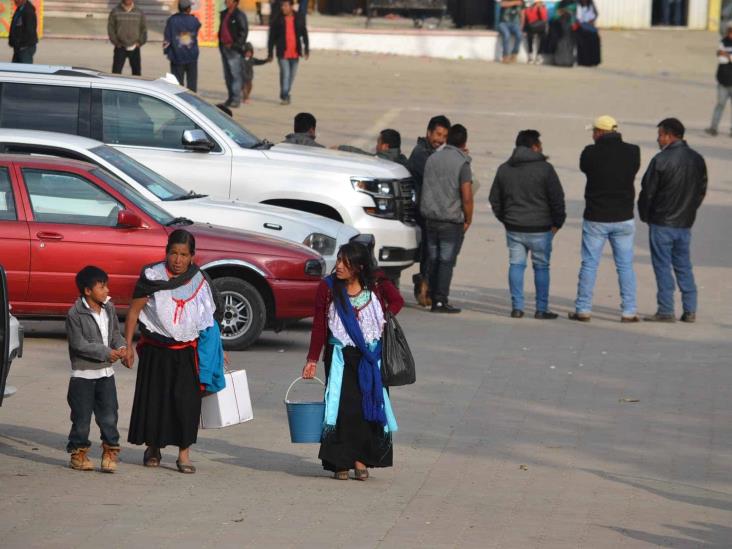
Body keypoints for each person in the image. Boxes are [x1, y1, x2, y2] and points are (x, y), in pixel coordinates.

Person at [302, 243, 404, 480]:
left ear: (358, 267)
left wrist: (383, 318)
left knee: (367, 408)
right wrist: (312, 359)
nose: (338, 266)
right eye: (338, 260)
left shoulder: (376, 284)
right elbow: (319, 325)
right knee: (342, 409)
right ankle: (340, 463)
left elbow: (397, 301)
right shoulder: (328, 288)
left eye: (344, 263)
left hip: (370, 358)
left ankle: (361, 460)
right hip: (340, 357)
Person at [124, 229, 221, 474]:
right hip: (156, 349)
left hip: (188, 351)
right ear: (166, 252)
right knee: (155, 400)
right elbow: (134, 313)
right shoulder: (152, 275)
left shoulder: (199, 280)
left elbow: (208, 319)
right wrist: (127, 346)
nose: (178, 260)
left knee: (186, 403)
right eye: (174, 253)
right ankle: (153, 448)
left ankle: (183, 454)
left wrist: (219, 350)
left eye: (184, 255)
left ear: (192, 256)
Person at [569, 115, 641, 323]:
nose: (592, 135)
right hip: (623, 216)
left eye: (593, 131)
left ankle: (583, 309)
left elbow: (585, 168)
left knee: (590, 264)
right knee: (625, 265)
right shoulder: (633, 151)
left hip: (596, 217)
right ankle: (629, 311)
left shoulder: (590, 153)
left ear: (600, 132)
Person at [489, 130, 566, 319]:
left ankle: (517, 307)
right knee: (541, 267)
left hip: (514, 227)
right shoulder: (546, 169)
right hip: (541, 228)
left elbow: (495, 200)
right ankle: (541, 309)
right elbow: (557, 199)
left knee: (516, 265)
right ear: (534, 146)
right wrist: (557, 223)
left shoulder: (504, 168)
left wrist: (506, 219)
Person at [638, 118, 707, 323]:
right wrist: (689, 211)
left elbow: (647, 192)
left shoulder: (661, 160)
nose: (658, 139)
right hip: (684, 223)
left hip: (662, 223)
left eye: (660, 135)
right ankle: (690, 309)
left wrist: (646, 216)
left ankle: (666, 310)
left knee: (662, 266)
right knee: (684, 265)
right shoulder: (697, 159)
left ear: (669, 135)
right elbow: (700, 191)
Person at [65, 266, 128, 473]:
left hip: (106, 375)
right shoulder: (75, 313)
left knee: (109, 416)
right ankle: (79, 454)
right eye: (102, 287)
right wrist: (105, 352)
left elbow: (115, 334)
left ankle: (110, 453)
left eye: (106, 285)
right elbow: (78, 344)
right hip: (83, 377)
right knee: (81, 419)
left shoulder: (109, 308)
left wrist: (121, 347)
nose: (107, 290)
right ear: (87, 291)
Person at [419, 124, 474, 314]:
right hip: (450, 220)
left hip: (431, 218)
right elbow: (467, 196)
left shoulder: (432, 158)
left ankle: (431, 295)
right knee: (446, 261)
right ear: (464, 142)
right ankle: (440, 300)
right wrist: (468, 218)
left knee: (433, 258)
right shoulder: (462, 163)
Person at [407, 115, 451, 308]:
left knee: (429, 254)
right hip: (422, 213)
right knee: (429, 253)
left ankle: (425, 286)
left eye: (444, 136)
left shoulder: (435, 153)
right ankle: (423, 287)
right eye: (438, 134)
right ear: (428, 133)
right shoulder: (421, 154)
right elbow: (436, 178)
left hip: (430, 211)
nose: (440, 139)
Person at [267, 0, 309, 105]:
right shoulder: (277, 19)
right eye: (282, 6)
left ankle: (286, 93)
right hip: (282, 53)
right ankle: (285, 96)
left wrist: (306, 49)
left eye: (285, 6)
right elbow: (271, 38)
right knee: (285, 74)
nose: (283, 8)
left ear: (291, 6)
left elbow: (304, 34)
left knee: (291, 76)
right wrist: (270, 53)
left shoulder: (299, 17)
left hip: (295, 53)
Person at [163, 0, 201, 92]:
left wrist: (167, 52)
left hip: (176, 56)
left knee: (176, 85)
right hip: (191, 56)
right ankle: (191, 103)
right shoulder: (194, 20)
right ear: (188, 9)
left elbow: (167, 39)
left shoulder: (171, 20)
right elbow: (198, 26)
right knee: (192, 84)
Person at [218, 0, 249, 109]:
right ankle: (230, 98)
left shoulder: (239, 15)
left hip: (234, 49)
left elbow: (243, 32)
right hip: (223, 47)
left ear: (235, 2)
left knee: (235, 75)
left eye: (229, 0)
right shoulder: (224, 13)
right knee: (227, 75)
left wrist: (235, 45)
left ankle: (236, 99)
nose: (226, 1)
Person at [704, 22, 732, 137]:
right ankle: (713, 128)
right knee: (720, 104)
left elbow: (724, 56)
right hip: (723, 80)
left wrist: (727, 55)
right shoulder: (723, 41)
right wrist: (727, 55)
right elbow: (721, 59)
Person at [108, 0, 147, 76]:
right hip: (120, 47)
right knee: (116, 73)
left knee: (137, 74)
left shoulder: (139, 12)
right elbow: (111, 29)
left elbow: (144, 29)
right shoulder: (115, 11)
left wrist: (140, 42)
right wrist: (116, 42)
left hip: (135, 47)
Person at [338, 129, 409, 166]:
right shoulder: (403, 160)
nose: (376, 146)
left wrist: (341, 148)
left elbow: (364, 156)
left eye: (378, 143)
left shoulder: (383, 161)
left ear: (385, 146)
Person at [545, 0, 576, 67]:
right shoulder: (559, 4)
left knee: (566, 44)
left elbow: (555, 16)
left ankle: (564, 61)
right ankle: (564, 61)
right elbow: (555, 17)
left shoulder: (573, 5)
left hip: (566, 29)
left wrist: (562, 11)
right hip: (562, 29)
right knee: (564, 44)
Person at [8, 0, 37, 64]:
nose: (15, 1)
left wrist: (21, 45)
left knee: (25, 70)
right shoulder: (20, 9)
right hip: (19, 47)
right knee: (15, 69)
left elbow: (30, 31)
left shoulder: (28, 11)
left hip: (24, 48)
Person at [575, 0, 601, 67]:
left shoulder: (591, 3)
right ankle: (584, 61)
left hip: (589, 24)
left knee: (595, 37)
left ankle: (594, 60)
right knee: (584, 36)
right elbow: (575, 16)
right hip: (579, 25)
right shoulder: (577, 3)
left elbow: (596, 13)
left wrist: (592, 20)